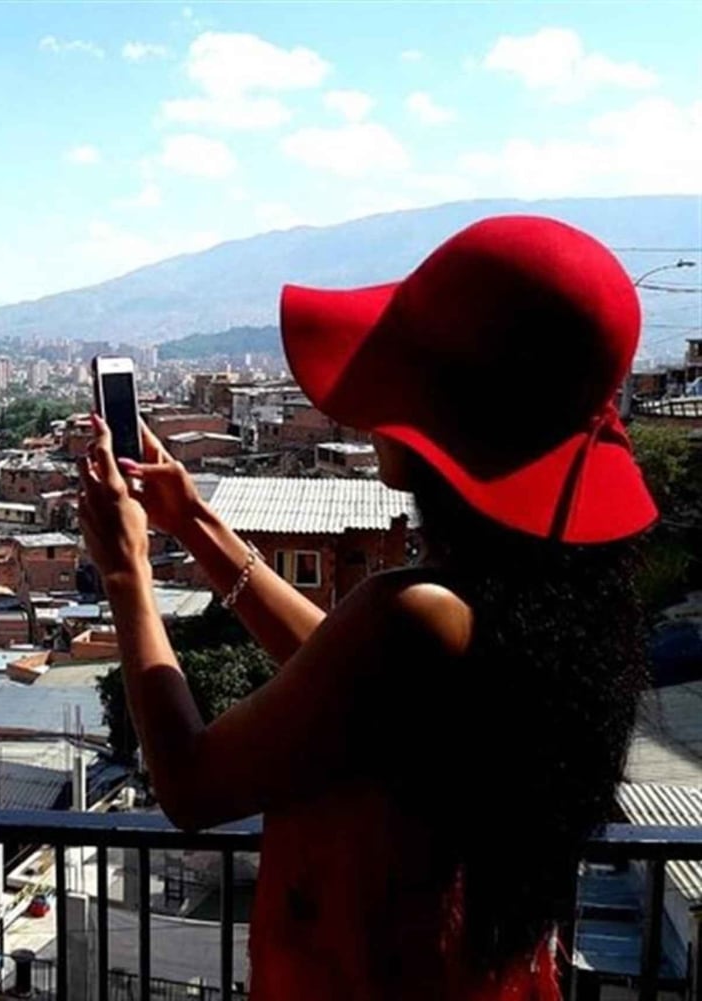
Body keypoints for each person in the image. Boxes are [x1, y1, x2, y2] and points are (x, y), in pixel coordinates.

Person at [77, 216, 658, 1001]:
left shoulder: (416, 617)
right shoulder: (537, 596)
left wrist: (127, 572)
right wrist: (195, 522)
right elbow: (344, 675)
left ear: (447, 413)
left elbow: (190, 783)